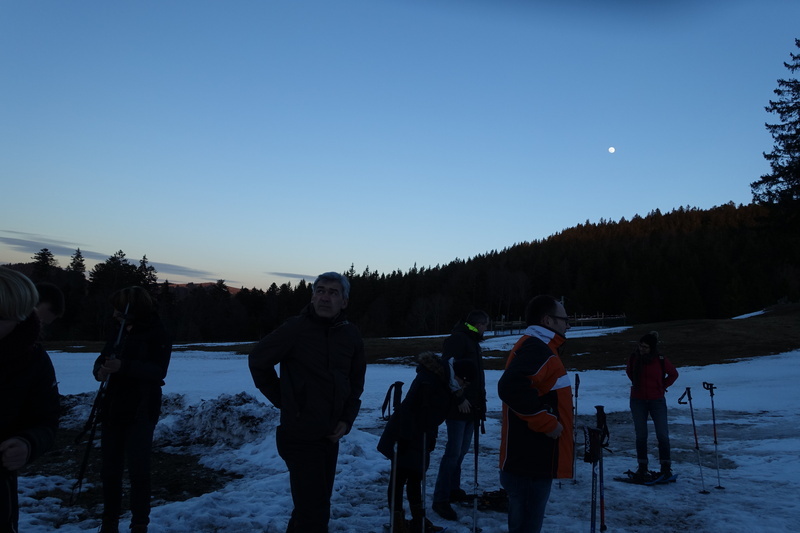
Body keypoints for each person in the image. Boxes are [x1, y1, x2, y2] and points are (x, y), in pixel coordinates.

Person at [248, 272, 367, 533]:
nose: (325, 297)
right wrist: (285, 400)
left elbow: (356, 380)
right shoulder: (295, 328)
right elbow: (258, 360)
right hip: (299, 434)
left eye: (333, 292)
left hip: (330, 436)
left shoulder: (350, 334)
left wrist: (347, 419)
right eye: (320, 291)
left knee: (313, 506)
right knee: (314, 512)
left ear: (344, 301)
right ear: (312, 297)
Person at [93, 286, 172, 533]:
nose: (114, 313)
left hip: (141, 408)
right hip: (112, 407)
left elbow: (158, 371)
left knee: (139, 469)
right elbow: (103, 358)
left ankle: (139, 523)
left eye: (118, 309)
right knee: (110, 470)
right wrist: (100, 370)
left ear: (131, 309)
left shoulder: (157, 332)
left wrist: (123, 366)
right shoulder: (118, 331)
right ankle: (109, 522)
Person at [497, 295, 574, 533]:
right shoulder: (538, 348)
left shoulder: (541, 346)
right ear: (547, 320)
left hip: (530, 460)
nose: (568, 325)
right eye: (565, 320)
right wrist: (547, 423)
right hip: (530, 461)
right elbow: (510, 387)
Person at [377, 353, 476, 533]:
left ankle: (418, 520)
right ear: (458, 376)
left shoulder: (446, 382)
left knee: (416, 476)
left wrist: (431, 437)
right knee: (399, 478)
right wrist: (405, 438)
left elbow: (433, 414)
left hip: (421, 435)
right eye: (465, 382)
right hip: (405, 434)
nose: (463, 386)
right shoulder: (429, 379)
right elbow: (409, 409)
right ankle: (397, 523)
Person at [0, 268, 60, 533]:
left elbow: (46, 420)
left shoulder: (33, 360)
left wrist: (28, 443)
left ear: (20, 317)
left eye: (2, 317)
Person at [432, 310, 488, 521]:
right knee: (453, 453)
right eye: (485, 325)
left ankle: (453, 490)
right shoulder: (458, 339)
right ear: (478, 324)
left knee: (461, 451)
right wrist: (459, 398)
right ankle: (440, 499)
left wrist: (479, 403)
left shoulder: (472, 341)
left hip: (472, 407)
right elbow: (447, 369)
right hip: (458, 407)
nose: (486, 329)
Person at [626, 331, 679, 482]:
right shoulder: (634, 358)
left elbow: (674, 374)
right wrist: (637, 384)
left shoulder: (660, 359)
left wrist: (662, 386)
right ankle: (642, 467)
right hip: (638, 400)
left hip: (657, 401)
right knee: (641, 435)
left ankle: (666, 468)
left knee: (662, 435)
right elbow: (629, 371)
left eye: (645, 347)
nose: (641, 349)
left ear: (652, 348)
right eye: (640, 346)